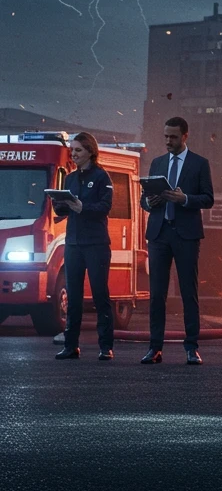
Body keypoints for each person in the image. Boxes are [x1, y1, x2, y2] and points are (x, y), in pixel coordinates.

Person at [140, 117, 213, 365]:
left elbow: (208, 198)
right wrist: (150, 203)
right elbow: (144, 199)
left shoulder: (199, 164)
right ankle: (155, 348)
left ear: (185, 136)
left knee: (188, 291)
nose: (168, 141)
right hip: (159, 233)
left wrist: (184, 200)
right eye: (166, 137)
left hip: (186, 234)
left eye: (173, 137)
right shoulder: (157, 162)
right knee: (156, 294)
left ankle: (192, 347)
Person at [52, 132, 115, 361]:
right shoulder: (69, 178)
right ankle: (71, 346)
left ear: (90, 151)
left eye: (78, 150)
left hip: (96, 244)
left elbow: (104, 207)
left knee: (100, 294)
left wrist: (82, 207)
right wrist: (59, 204)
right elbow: (65, 210)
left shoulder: (102, 177)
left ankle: (105, 346)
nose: (74, 154)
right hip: (74, 244)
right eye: (72, 150)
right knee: (74, 296)